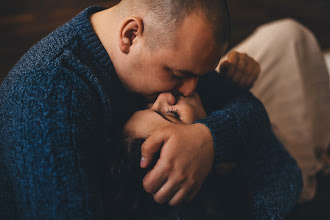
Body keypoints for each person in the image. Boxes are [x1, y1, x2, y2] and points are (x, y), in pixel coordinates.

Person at [0, 0, 300, 219]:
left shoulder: (172, 54)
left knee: (289, 37)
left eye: (199, 75)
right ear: (130, 35)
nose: (190, 90)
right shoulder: (47, 93)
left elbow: (251, 110)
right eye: (179, 75)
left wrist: (207, 138)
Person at [103, 90, 302, 219]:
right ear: (188, 171)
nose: (163, 96)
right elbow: (285, 171)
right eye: (172, 114)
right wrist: (215, 136)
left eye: (146, 107)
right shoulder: (259, 207)